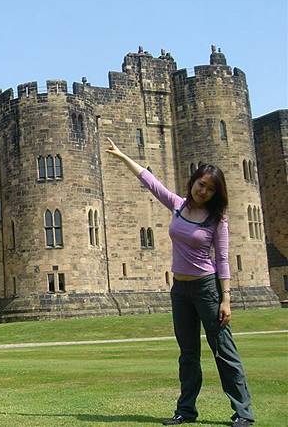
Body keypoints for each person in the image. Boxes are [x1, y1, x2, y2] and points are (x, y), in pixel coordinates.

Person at [105, 138, 254, 427]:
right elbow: (151, 181)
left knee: (223, 351)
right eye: (201, 184)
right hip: (180, 290)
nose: (204, 191)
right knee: (188, 355)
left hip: (207, 288)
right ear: (194, 182)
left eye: (210, 189)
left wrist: (226, 299)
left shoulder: (217, 220)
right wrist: (123, 156)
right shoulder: (177, 205)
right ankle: (185, 411)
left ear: (215, 193)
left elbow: (222, 259)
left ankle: (243, 413)